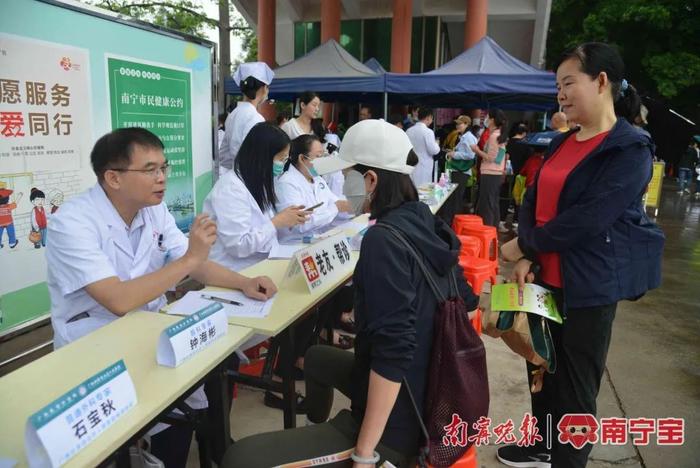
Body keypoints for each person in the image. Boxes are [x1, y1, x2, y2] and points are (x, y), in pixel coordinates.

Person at [220, 119, 480, 468]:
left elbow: (394, 352)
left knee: (240, 458)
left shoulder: (382, 240)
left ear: (371, 180)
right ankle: (317, 439)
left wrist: (366, 452)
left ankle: (343, 447)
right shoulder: (425, 219)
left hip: (399, 424)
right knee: (315, 357)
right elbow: (469, 300)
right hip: (430, 388)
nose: (342, 186)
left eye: (348, 176)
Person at [46, 127, 277, 467]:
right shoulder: (72, 223)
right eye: (150, 169)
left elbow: (194, 263)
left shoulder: (152, 209)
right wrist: (189, 259)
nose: (162, 178)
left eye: (164, 168)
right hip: (92, 343)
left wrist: (242, 282)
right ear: (113, 177)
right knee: (113, 441)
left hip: (147, 330)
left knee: (182, 403)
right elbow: (119, 299)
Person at [498, 42, 664, 468]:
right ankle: (541, 446)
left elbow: (590, 218)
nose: (561, 94)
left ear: (602, 82)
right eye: (558, 87)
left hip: (587, 288)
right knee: (540, 368)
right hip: (541, 280)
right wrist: (526, 256)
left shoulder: (629, 149)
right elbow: (535, 200)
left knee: (575, 387)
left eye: (569, 82)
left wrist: (524, 244)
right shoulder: (561, 141)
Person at [203, 123, 309, 271]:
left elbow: (263, 230)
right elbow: (238, 245)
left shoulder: (258, 183)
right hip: (233, 273)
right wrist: (276, 222)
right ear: (262, 156)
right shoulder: (231, 189)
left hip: (259, 266)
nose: (283, 165)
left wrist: (288, 220)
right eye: (281, 158)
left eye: (286, 159)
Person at [275, 134, 353, 241]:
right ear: (302, 158)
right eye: (318, 156)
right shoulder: (286, 183)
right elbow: (300, 223)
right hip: (293, 244)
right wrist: (335, 208)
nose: (322, 160)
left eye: (323, 156)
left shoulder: (317, 179)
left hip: (316, 241)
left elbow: (335, 202)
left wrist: (353, 205)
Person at [219, 62, 274, 175]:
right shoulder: (256, 118)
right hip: (249, 179)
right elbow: (258, 157)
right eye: (267, 87)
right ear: (263, 88)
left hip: (233, 176)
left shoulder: (233, 114)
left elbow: (224, 157)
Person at [473, 109, 508, 227]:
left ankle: (487, 229)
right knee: (493, 203)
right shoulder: (499, 135)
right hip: (495, 173)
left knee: (487, 204)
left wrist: (477, 150)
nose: (487, 119)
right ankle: (493, 229)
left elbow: (490, 157)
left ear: (492, 120)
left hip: (490, 173)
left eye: (488, 117)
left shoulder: (494, 136)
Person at [446, 115, 478, 210]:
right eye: (457, 124)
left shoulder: (468, 137)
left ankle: (452, 220)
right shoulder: (464, 136)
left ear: (467, 124)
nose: (457, 126)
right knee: (455, 197)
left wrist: (454, 154)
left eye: (460, 124)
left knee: (456, 198)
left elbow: (470, 155)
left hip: (462, 171)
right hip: (459, 170)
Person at [406, 107, 440, 187]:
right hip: (424, 165)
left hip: (411, 164)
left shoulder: (409, 130)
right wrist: (437, 144)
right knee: (423, 190)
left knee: (412, 187)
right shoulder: (428, 132)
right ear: (429, 117)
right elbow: (433, 150)